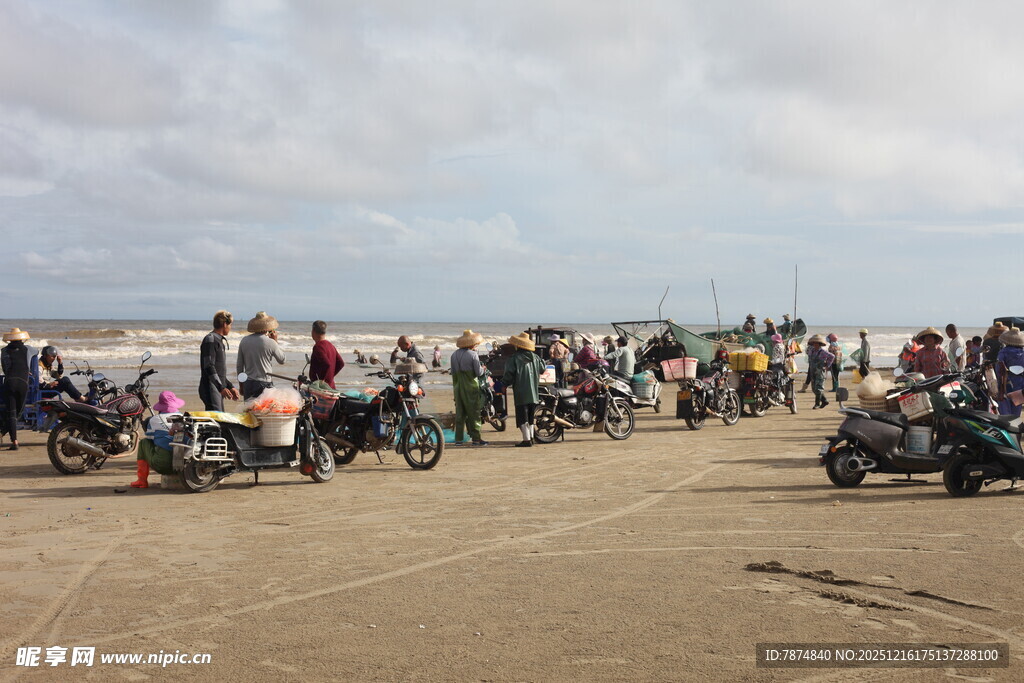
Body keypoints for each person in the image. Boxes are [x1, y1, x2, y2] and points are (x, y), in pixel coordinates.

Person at [131, 390, 184, 488]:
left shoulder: (155, 420)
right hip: (184, 465)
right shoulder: (183, 418)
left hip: (164, 465)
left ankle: (142, 480)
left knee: (143, 443)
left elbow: (150, 439)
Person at [502, 333, 544, 447]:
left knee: (522, 417)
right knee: (530, 417)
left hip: (521, 392)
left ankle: (526, 440)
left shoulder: (514, 358)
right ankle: (531, 438)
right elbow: (542, 369)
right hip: (534, 393)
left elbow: (509, 375)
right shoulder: (536, 358)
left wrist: (503, 384)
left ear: (518, 346)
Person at [450, 330, 487, 447]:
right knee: (474, 413)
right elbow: (478, 372)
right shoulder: (473, 355)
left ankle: (459, 440)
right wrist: (483, 369)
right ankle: (476, 439)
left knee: (460, 413)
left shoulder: (453, 355)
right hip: (471, 386)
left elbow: (453, 373)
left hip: (457, 387)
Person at [237, 312, 286, 400]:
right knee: (263, 411)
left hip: (248, 382)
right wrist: (275, 341)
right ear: (268, 327)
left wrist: (241, 386)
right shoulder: (270, 342)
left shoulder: (244, 340)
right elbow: (282, 360)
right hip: (264, 383)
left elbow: (239, 366)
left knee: (249, 411)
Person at [1, 328, 35, 450]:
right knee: (19, 412)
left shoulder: (4, 350)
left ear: (9, 339)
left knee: (11, 412)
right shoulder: (28, 349)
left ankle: (14, 441)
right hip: (23, 383)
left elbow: (5, 367)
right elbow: (37, 352)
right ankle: (5, 434)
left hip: (10, 381)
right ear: (21, 338)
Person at [199, 310, 239, 411]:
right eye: (230, 325)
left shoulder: (219, 341)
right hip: (210, 387)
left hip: (217, 387)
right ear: (225, 324)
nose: (230, 328)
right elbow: (208, 366)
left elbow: (219, 371)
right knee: (217, 419)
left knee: (219, 418)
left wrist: (230, 386)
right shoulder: (210, 339)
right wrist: (221, 387)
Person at [996, 328, 1024, 416]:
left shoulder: (1003, 352)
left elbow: (1000, 371)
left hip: (1006, 384)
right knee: (1016, 411)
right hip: (1020, 384)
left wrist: (1000, 390)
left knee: (1005, 412)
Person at [310, 320, 344, 389]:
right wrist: (330, 376)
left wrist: (322, 380)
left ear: (313, 331)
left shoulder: (318, 346)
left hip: (321, 389)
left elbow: (326, 363)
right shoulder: (330, 345)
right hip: (330, 386)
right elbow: (341, 363)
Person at [806, 334, 835, 409]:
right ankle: (824, 400)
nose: (815, 345)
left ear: (820, 344)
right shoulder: (811, 351)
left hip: (820, 372)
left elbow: (832, 356)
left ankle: (817, 404)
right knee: (813, 389)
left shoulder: (823, 352)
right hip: (812, 371)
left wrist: (827, 365)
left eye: (817, 343)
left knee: (819, 388)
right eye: (814, 343)